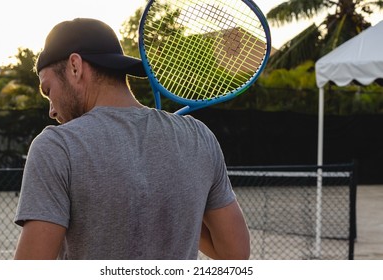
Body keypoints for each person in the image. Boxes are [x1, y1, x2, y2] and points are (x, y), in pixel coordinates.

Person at [13, 18, 250, 260]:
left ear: (75, 66)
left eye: (48, 90)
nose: (51, 110)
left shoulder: (57, 147)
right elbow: (235, 255)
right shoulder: (199, 137)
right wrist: (177, 204)